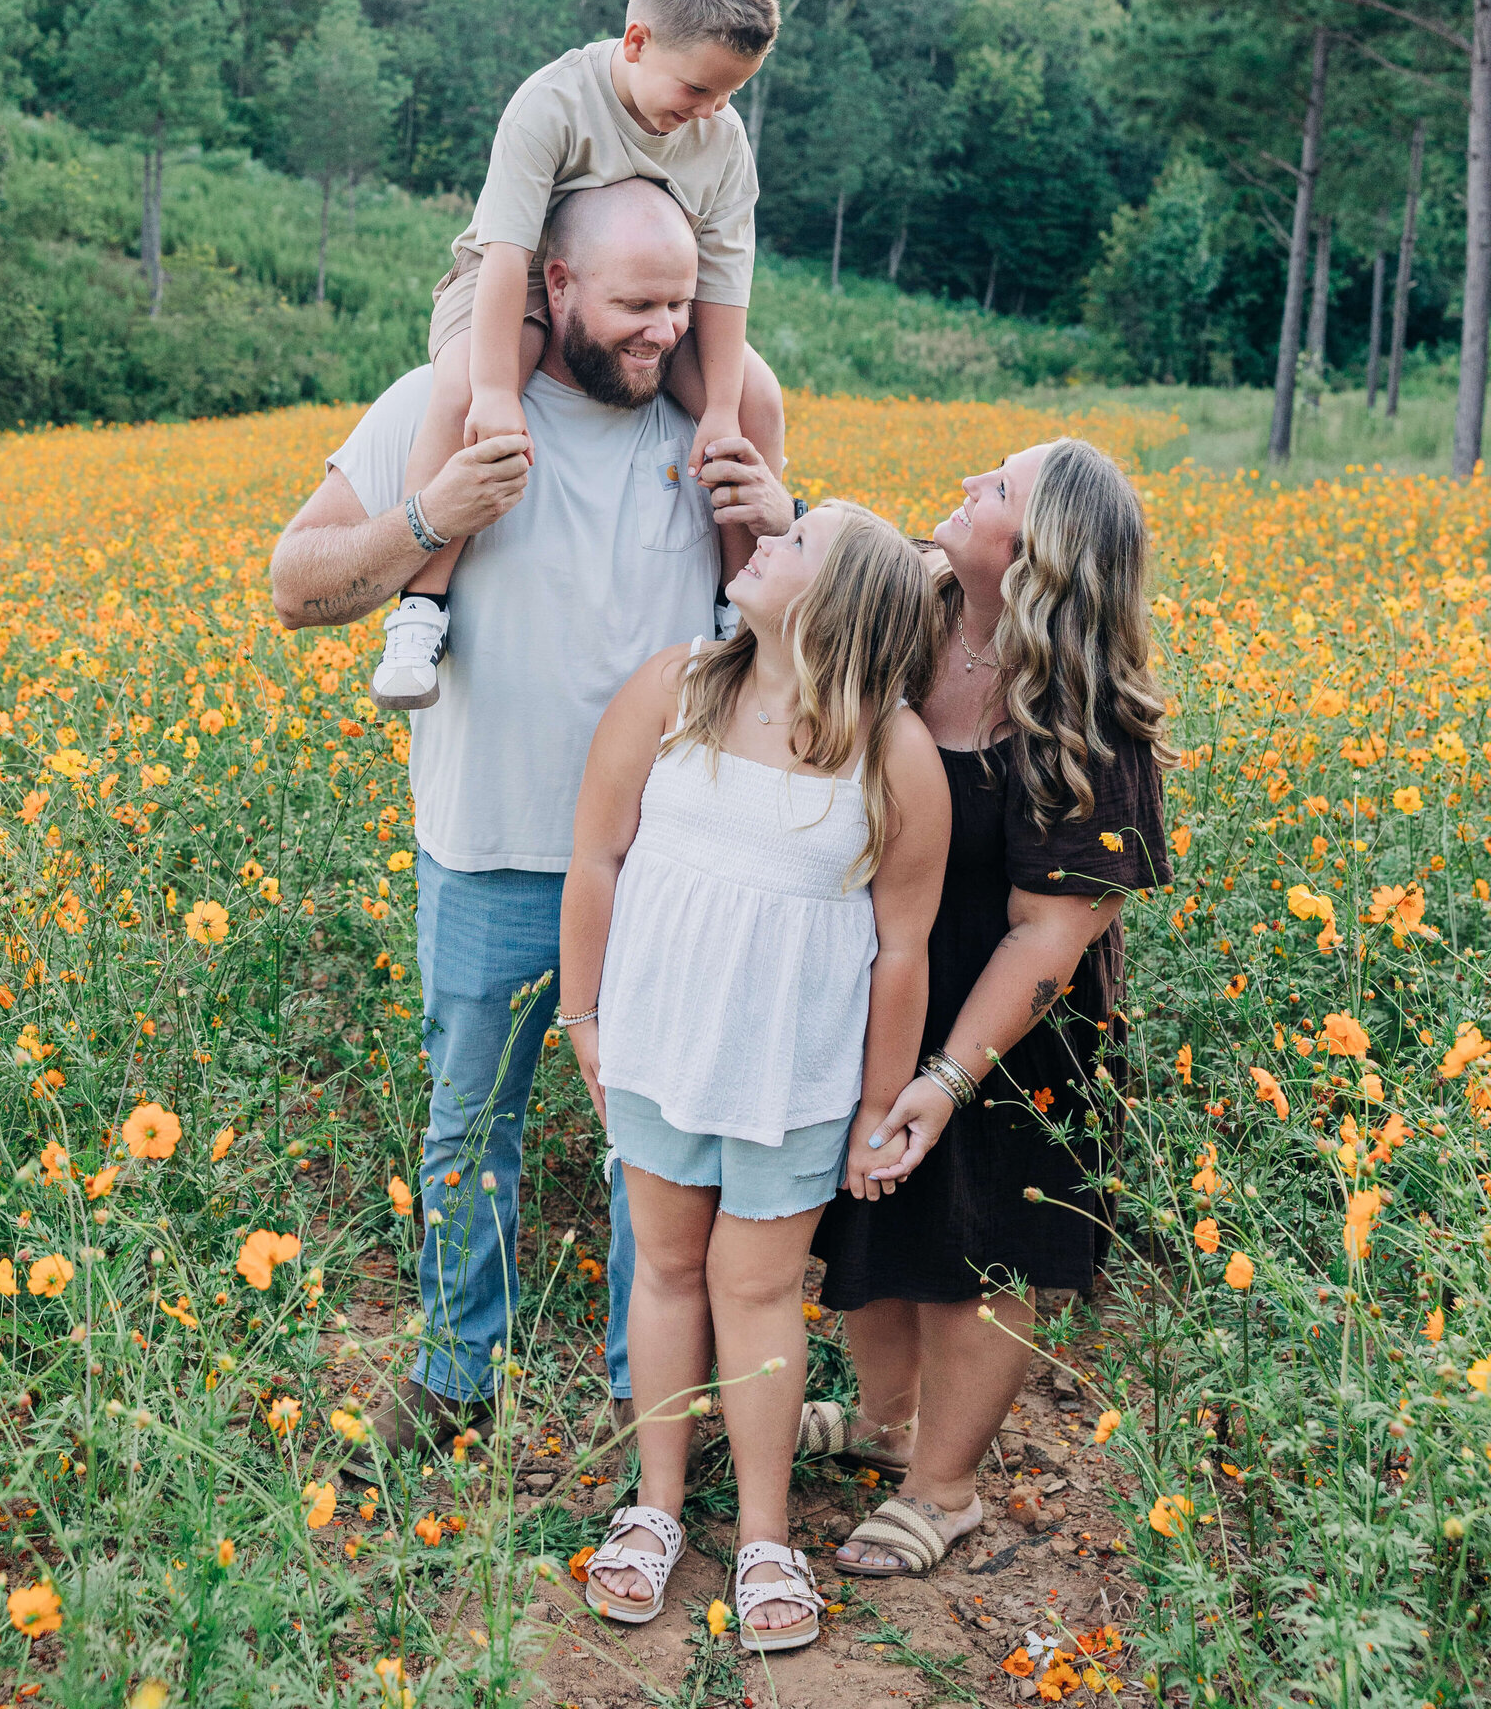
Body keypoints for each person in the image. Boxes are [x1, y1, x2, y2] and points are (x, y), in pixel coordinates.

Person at [269, 180, 802, 1463]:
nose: (664, 331)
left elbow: (791, 613)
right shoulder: (441, 402)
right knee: (469, 1130)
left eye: (682, 304)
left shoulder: (711, 415)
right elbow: (295, 585)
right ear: (553, 287)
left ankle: (650, 1402)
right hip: (487, 852)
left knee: (659, 1145)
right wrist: (428, 518)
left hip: (666, 865)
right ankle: (458, 1374)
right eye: (634, 304)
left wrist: (778, 516)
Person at [559, 505, 950, 1650]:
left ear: (839, 606)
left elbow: (902, 951)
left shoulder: (894, 750)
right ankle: (657, 1508)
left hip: (792, 1075)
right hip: (655, 1048)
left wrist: (878, 1104)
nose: (763, 541)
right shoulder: (675, 689)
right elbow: (597, 856)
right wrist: (584, 1015)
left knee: (758, 1290)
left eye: (793, 542)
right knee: (669, 1272)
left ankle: (768, 1534)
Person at [805, 437, 1172, 1579]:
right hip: (888, 975)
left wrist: (947, 1076)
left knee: (979, 1244)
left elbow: (1050, 932)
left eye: (998, 488)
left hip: (1020, 1024)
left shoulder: (1090, 716)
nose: (966, 484)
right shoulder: (913, 614)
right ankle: (880, 1425)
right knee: (868, 1210)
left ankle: (944, 1486)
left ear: (1043, 552)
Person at [368, 0, 786, 715]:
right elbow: (506, 253)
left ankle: (738, 611)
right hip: (519, 272)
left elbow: (725, 289)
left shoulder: (722, 142)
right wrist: (496, 390)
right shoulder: (552, 104)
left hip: (655, 293)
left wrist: (721, 409)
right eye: (698, 89)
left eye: (729, 95)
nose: (712, 111)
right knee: (461, 390)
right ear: (636, 42)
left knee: (754, 406)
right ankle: (420, 611)